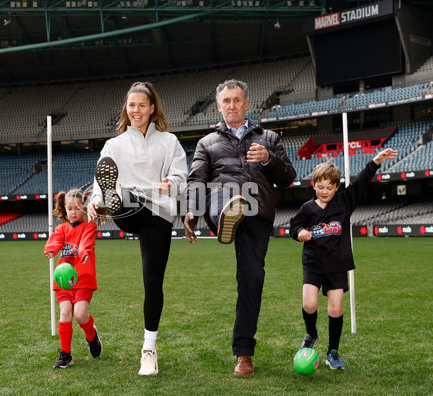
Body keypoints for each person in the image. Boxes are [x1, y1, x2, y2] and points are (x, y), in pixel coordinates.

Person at [184, 79, 297, 376]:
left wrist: (269, 159)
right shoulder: (206, 143)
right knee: (225, 194)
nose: (231, 105)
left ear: (247, 104)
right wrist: (191, 213)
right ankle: (224, 218)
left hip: (257, 211)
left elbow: (287, 178)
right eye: (226, 101)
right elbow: (196, 180)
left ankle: (243, 354)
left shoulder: (269, 138)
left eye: (236, 100)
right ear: (219, 106)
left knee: (252, 279)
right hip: (221, 200)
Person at [87, 82, 187, 376]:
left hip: (158, 211)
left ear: (152, 108)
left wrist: (172, 183)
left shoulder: (169, 142)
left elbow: (181, 174)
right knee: (121, 198)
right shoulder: (114, 146)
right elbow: (98, 177)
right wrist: (96, 199)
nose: (136, 111)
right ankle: (113, 199)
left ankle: (149, 350)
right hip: (128, 209)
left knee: (153, 282)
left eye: (142, 105)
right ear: (126, 109)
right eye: (131, 105)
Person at [289, 148, 398, 370]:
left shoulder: (344, 202)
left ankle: (333, 352)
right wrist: (299, 232)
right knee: (309, 304)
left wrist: (376, 161)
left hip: (337, 266)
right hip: (313, 264)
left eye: (329, 188)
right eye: (320, 187)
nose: (325, 191)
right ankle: (311, 334)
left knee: (335, 309)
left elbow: (361, 182)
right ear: (314, 185)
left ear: (336, 187)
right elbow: (294, 225)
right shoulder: (307, 208)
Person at [44, 188, 103, 368]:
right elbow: (55, 241)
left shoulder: (89, 225)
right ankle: (66, 354)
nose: (73, 212)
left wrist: (84, 252)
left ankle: (92, 337)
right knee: (65, 313)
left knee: (80, 314)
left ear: (85, 208)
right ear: (65, 209)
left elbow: (86, 241)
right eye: (70, 209)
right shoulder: (62, 228)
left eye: (77, 208)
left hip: (83, 277)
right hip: (63, 279)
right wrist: (51, 249)